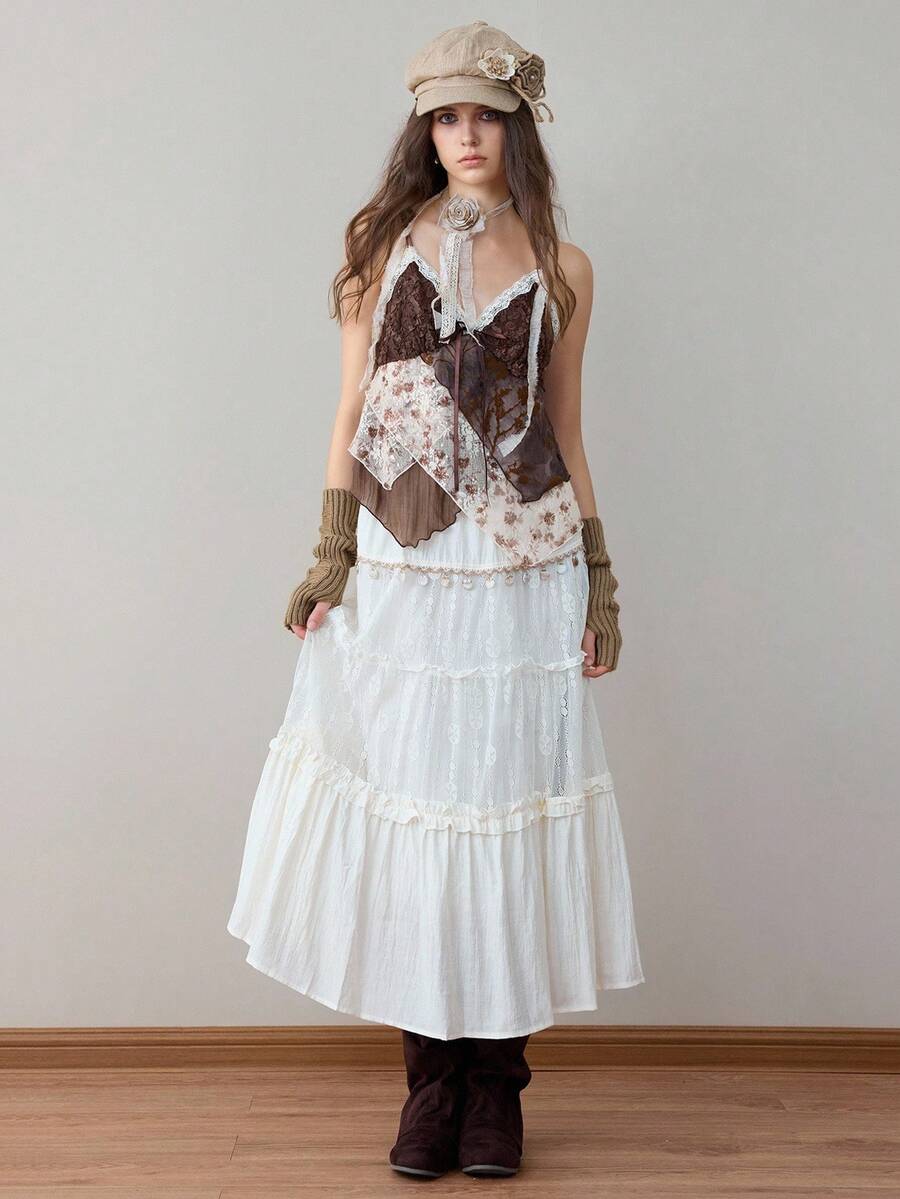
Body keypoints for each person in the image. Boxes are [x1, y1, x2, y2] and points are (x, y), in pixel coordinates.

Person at [227, 18, 645, 1180]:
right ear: (424, 128)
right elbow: (349, 407)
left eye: (485, 115)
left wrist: (600, 575)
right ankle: (430, 1087)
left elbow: (567, 430)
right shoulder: (380, 244)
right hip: (407, 569)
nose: (467, 135)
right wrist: (331, 550)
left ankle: (496, 1091)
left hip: (521, 572)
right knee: (419, 814)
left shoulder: (565, 265)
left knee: (504, 812)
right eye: (447, 117)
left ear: (517, 126)